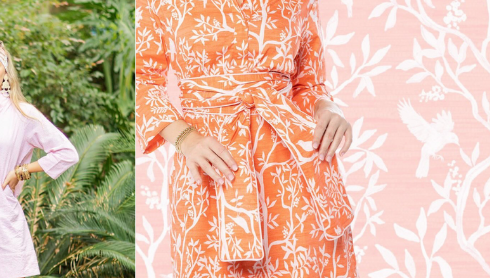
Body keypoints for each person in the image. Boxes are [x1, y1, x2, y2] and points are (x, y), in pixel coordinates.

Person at [134, 0, 358, 276]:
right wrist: (186, 139)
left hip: (293, 174)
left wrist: (328, 107)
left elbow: (309, 84)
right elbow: (143, 81)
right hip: (211, 169)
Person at [0, 41, 77, 277]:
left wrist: (22, 171)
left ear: (6, 72)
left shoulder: (23, 113)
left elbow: (67, 153)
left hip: (4, 226)